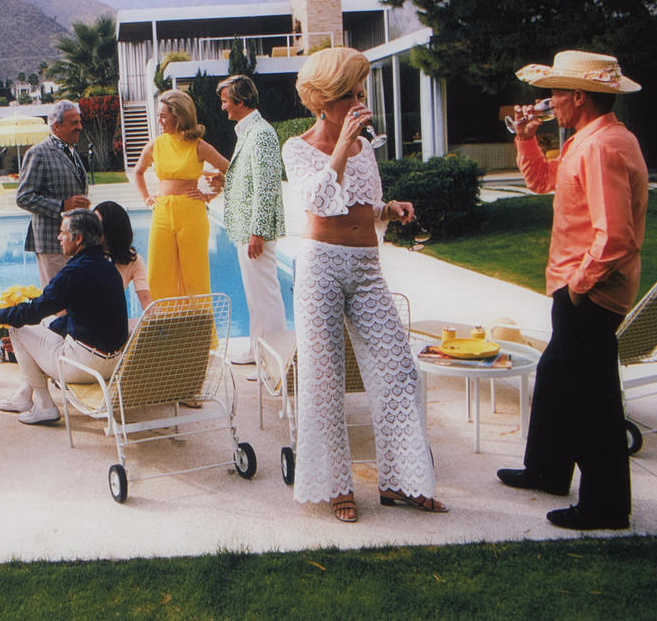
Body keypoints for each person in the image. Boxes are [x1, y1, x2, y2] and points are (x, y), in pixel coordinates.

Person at [282, 47, 443, 522]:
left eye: (361, 91)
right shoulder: (298, 146)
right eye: (350, 93)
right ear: (324, 99)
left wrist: (387, 210)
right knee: (323, 379)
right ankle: (337, 488)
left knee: (400, 372)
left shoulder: (365, 146)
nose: (358, 100)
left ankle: (402, 481)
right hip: (321, 267)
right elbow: (315, 203)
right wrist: (340, 145)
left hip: (367, 267)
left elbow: (358, 206)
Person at [497, 50, 647, 531]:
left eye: (555, 93)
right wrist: (526, 138)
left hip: (590, 289)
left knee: (592, 397)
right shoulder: (590, 139)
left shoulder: (603, 146)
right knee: (557, 374)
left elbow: (616, 235)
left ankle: (605, 506)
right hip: (576, 285)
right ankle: (547, 470)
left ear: (578, 96)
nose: (549, 102)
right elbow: (542, 180)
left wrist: (579, 286)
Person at [0, 208, 129, 425]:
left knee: (18, 327)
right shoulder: (107, 268)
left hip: (84, 366)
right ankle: (24, 396)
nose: (58, 237)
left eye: (63, 232)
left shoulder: (73, 273)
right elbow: (81, 316)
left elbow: (34, 311)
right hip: (112, 363)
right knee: (45, 324)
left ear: (78, 238)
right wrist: (48, 330)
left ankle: (44, 405)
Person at [217, 74, 288, 367]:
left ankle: (274, 362)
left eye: (225, 101)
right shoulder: (247, 131)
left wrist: (257, 231)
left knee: (266, 297)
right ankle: (258, 351)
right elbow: (249, 180)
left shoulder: (261, 134)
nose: (223, 108)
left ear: (240, 101)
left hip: (254, 231)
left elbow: (267, 185)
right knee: (255, 296)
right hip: (245, 229)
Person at [132, 90, 229, 302]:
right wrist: (146, 198)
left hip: (191, 213)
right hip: (162, 213)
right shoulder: (155, 145)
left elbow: (230, 169)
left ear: (179, 115)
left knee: (195, 278)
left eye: (164, 116)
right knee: (157, 276)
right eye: (158, 115)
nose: (159, 121)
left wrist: (212, 193)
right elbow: (137, 172)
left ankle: (200, 334)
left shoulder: (199, 145)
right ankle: (166, 333)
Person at [16, 100, 91, 285]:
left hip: (75, 242)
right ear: (57, 126)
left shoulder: (71, 151)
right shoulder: (39, 153)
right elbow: (23, 197)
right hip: (52, 242)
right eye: (74, 123)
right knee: (58, 303)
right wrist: (62, 205)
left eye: (79, 122)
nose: (80, 127)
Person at [94, 200, 151, 312]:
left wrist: (158, 326)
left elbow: (145, 297)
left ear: (112, 228)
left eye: (97, 224)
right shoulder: (87, 255)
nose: (92, 228)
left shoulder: (133, 260)